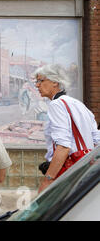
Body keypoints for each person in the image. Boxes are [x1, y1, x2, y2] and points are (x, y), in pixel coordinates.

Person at [33, 64, 99, 193]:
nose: (37, 85)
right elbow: (97, 139)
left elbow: (63, 146)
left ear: (55, 82)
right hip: (84, 169)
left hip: (68, 173)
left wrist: (48, 180)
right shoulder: (78, 104)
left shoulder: (57, 105)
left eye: (40, 80)